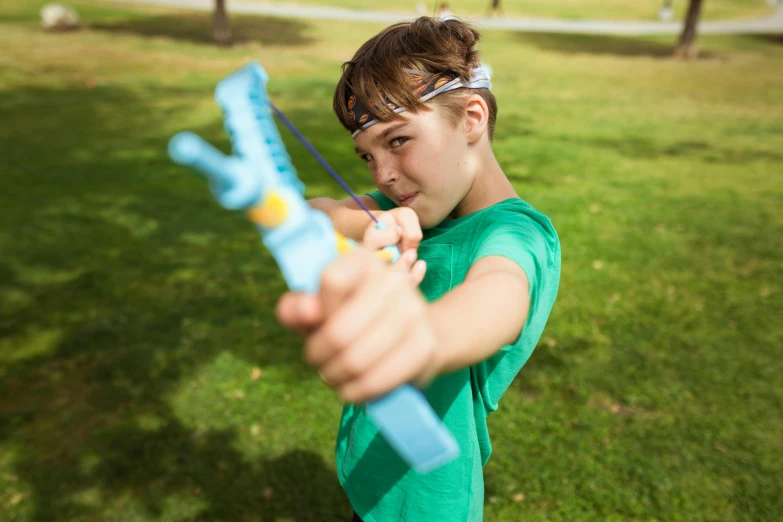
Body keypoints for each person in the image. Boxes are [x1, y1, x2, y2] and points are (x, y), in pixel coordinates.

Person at [276, 17, 561, 522]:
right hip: (375, 479)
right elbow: (314, 214)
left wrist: (423, 339)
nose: (383, 171)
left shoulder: (517, 235)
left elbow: (500, 292)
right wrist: (372, 223)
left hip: (431, 503)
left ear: (471, 118)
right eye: (367, 155)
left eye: (399, 140)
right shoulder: (411, 202)